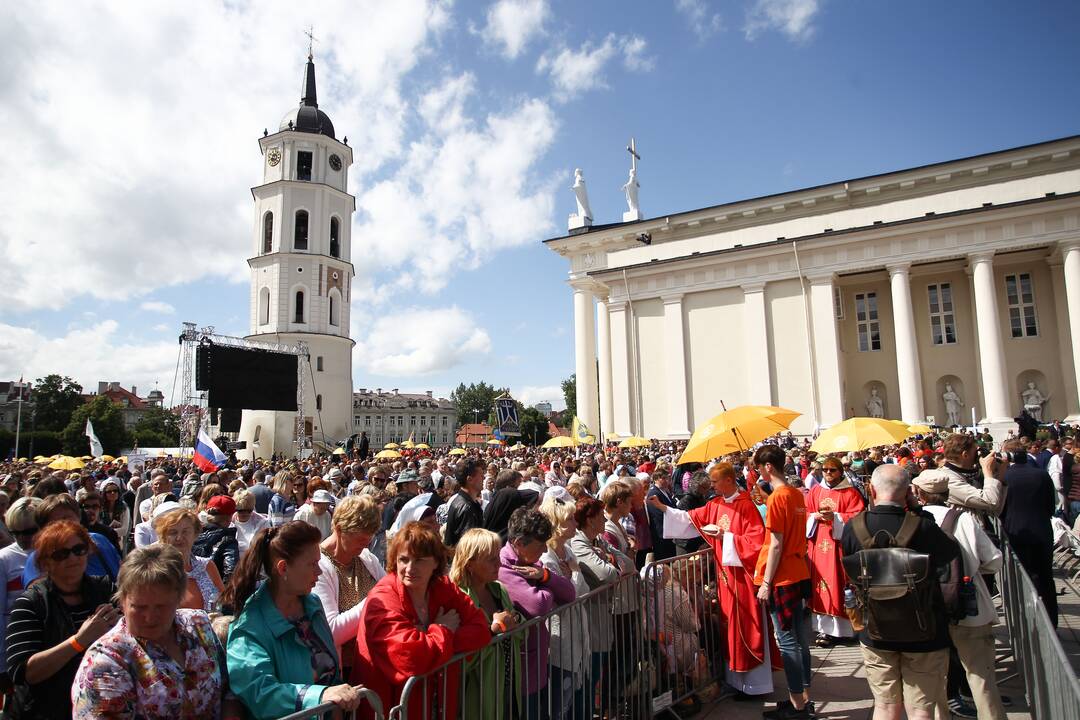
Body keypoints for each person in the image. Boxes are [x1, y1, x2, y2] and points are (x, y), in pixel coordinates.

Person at [841, 464, 961, 720]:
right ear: (908, 491)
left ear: (871, 489)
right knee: (921, 710)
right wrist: (917, 509)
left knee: (885, 706)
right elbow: (950, 563)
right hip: (924, 630)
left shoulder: (854, 527)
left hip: (876, 628)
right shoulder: (924, 527)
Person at [649, 462, 776, 697]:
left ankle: (755, 684)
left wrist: (726, 536)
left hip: (742, 578)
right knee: (729, 627)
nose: (711, 485)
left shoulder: (746, 506)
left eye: (715, 481)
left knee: (746, 625)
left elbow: (757, 543)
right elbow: (689, 518)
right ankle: (736, 681)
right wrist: (664, 509)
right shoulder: (716, 503)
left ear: (729, 480)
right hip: (725, 577)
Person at [72, 544, 241, 719]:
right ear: (122, 601)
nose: (150, 617)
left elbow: (228, 690)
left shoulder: (198, 624)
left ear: (179, 598)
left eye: (161, 606)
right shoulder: (105, 664)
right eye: (139, 607)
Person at [223, 521, 363, 719]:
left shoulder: (313, 604)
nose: (320, 571)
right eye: (312, 564)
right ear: (283, 568)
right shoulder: (249, 626)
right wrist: (320, 696)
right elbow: (259, 692)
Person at [353, 521, 491, 720]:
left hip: (437, 704)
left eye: (419, 560)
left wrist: (428, 640)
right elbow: (411, 658)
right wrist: (442, 630)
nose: (409, 568)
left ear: (436, 561)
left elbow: (480, 630)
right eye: (403, 559)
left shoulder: (443, 587)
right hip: (391, 709)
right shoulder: (382, 598)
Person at [912, 470, 1006, 720]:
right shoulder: (964, 520)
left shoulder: (912, 522)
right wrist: (971, 570)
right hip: (968, 604)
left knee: (934, 681)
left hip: (930, 610)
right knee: (981, 677)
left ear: (919, 494)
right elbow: (994, 560)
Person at [6, 520, 118, 719]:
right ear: (45, 562)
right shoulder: (31, 603)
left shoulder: (106, 590)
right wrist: (79, 641)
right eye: (61, 554)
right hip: (45, 710)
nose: (73, 557)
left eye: (78, 549)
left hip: (100, 707)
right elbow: (24, 672)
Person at [753, 444, 813, 720]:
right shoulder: (794, 494)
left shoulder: (780, 497)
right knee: (801, 640)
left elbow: (776, 543)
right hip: (799, 570)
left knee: (787, 642)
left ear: (768, 467)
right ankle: (803, 698)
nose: (756, 472)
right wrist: (766, 499)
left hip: (783, 576)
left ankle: (798, 706)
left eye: (758, 468)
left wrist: (766, 582)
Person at [499, 507, 576, 719]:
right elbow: (538, 605)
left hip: (538, 667)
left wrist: (544, 576)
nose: (544, 550)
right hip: (521, 673)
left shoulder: (534, 564)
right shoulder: (504, 568)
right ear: (519, 543)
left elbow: (570, 593)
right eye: (540, 544)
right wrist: (547, 589)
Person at [568, 496, 634, 718]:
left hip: (603, 615)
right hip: (590, 619)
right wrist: (613, 565)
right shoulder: (579, 542)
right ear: (589, 519)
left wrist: (608, 559)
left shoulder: (598, 541)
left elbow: (629, 563)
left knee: (596, 675)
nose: (604, 520)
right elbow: (606, 574)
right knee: (587, 680)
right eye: (600, 516)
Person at [451, 528, 523, 719]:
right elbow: (462, 658)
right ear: (470, 564)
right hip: (479, 691)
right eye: (491, 559)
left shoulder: (499, 589)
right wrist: (494, 630)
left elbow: (522, 632)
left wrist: (514, 620)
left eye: (497, 557)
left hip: (508, 683)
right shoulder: (458, 598)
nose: (499, 563)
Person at [313, 495, 385, 672]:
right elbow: (332, 632)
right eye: (360, 538)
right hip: (346, 672)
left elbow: (392, 595)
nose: (367, 542)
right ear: (339, 529)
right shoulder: (317, 567)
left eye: (370, 536)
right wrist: (375, 599)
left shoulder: (367, 558)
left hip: (375, 662)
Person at [539, 496, 591, 720]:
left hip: (576, 633)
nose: (575, 523)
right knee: (559, 705)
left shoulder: (568, 552)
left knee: (570, 700)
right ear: (556, 524)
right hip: (560, 641)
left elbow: (584, 591)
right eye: (569, 519)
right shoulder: (546, 559)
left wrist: (575, 573)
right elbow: (572, 595)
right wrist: (576, 572)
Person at [806, 455, 866, 646]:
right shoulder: (815, 491)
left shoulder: (850, 493)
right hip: (818, 543)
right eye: (825, 470)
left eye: (833, 470)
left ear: (841, 472)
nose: (829, 474)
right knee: (820, 585)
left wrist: (837, 517)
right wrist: (813, 516)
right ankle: (824, 631)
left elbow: (858, 516)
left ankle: (845, 630)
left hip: (839, 545)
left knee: (840, 583)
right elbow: (805, 512)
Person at [1000, 438, 1058, 626]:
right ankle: (1051, 621)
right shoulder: (1041, 475)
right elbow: (1051, 505)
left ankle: (1027, 622)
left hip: (1015, 531)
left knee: (1021, 580)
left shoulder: (1004, 477)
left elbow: (1000, 508)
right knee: (1045, 578)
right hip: (1042, 530)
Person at [21, 493, 120, 586]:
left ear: (79, 518)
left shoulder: (99, 541)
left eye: (67, 519)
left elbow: (121, 579)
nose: (64, 526)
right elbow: (38, 596)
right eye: (55, 523)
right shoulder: (39, 558)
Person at [0, 498, 42, 695]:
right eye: (14, 532)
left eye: (28, 531)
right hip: (17, 651)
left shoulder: (60, 553)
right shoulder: (4, 560)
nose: (21, 538)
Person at [154, 508, 224, 613]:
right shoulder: (157, 570)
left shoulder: (207, 566)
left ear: (195, 534)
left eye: (185, 532)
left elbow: (225, 600)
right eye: (173, 533)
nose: (179, 538)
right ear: (164, 537)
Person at [193, 494, 240, 582]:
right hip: (215, 591)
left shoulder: (193, 534)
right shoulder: (228, 540)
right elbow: (231, 572)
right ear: (229, 518)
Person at [444, 459, 485, 547]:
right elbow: (470, 548)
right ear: (469, 479)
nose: (484, 478)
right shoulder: (466, 508)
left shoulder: (466, 502)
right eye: (481, 476)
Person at [645, 468, 677, 560]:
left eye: (668, 478)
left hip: (669, 531)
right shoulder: (653, 493)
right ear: (656, 479)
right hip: (661, 532)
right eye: (664, 478)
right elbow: (658, 514)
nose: (667, 481)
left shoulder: (665, 491)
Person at [231, 488, 269, 557]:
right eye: (240, 510)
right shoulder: (229, 522)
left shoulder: (262, 523)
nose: (245, 513)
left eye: (249, 510)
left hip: (254, 563)